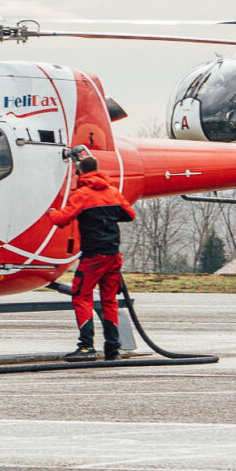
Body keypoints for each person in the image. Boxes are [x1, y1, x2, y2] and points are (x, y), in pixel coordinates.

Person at [45, 154, 136, 361]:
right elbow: (129, 214)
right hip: (113, 256)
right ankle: (112, 347)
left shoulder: (82, 194)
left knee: (81, 296)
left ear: (80, 172)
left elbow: (61, 220)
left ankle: (87, 346)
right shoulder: (112, 192)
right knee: (109, 300)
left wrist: (50, 211)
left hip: (93, 257)